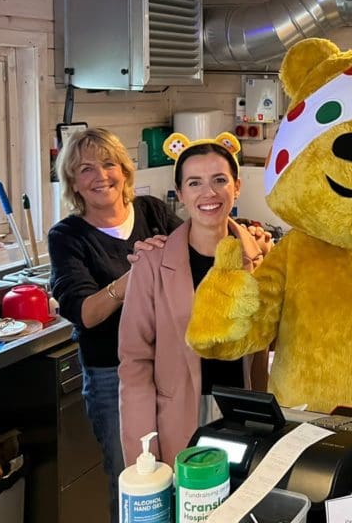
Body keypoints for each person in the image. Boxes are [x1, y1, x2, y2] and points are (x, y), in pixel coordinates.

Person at [49, 128, 181, 523]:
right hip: (113, 374)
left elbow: (194, 258)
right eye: (85, 168)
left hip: (173, 364)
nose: (100, 175)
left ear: (124, 171)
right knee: (133, 480)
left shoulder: (153, 211)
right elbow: (86, 313)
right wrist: (133, 277)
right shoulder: (67, 236)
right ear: (73, 181)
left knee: (178, 467)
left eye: (109, 164)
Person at [119, 134, 270, 466]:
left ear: (237, 186)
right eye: (195, 182)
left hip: (245, 415)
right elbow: (135, 365)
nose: (209, 193)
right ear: (180, 192)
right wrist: (142, 456)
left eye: (219, 180)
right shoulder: (152, 264)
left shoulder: (261, 259)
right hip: (178, 420)